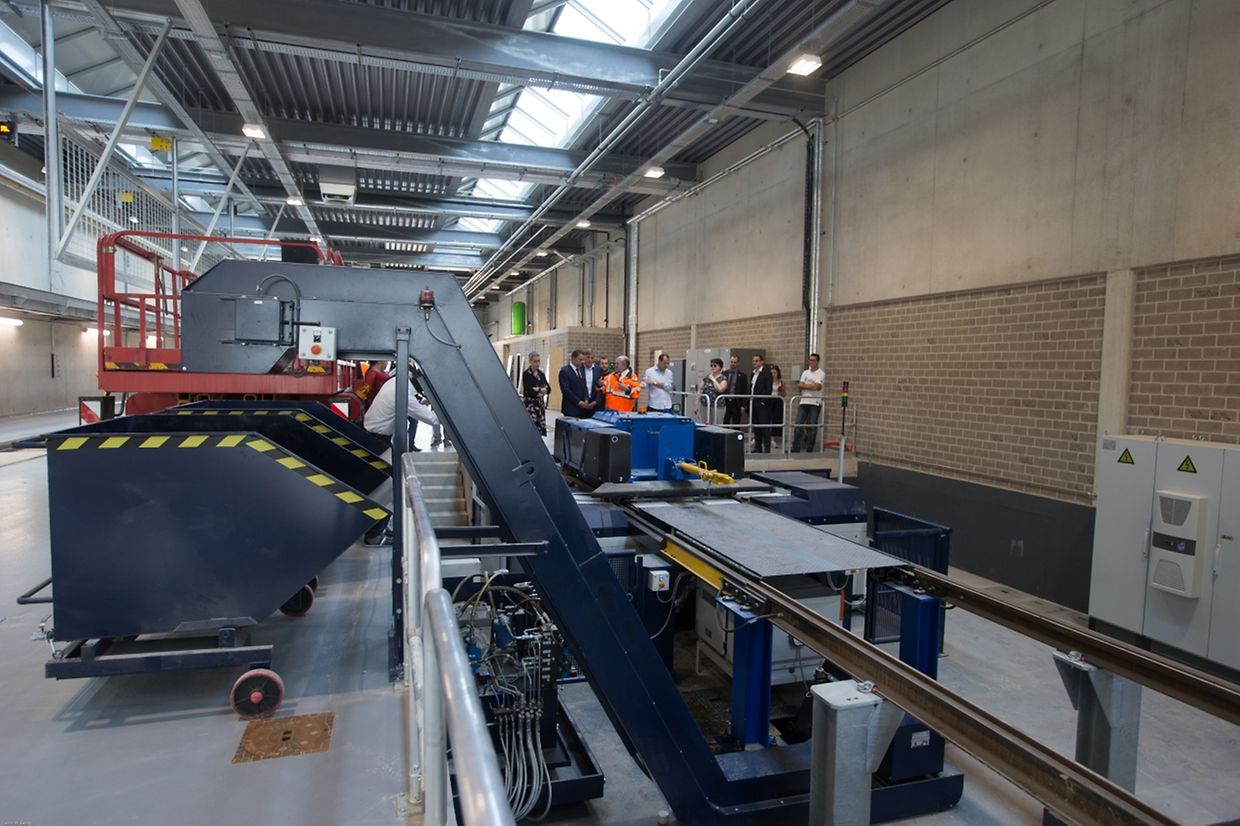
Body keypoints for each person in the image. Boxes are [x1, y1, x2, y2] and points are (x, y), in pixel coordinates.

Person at [362, 367, 440, 545]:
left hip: (374, 438)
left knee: (385, 486)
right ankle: (374, 534)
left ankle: (379, 528)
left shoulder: (395, 382)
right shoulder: (404, 394)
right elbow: (432, 419)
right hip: (378, 442)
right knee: (390, 488)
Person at [792, 353, 827, 453]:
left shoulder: (821, 373)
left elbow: (817, 387)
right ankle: (796, 447)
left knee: (812, 426)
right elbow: (800, 385)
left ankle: (810, 448)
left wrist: (805, 385)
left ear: (817, 361)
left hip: (815, 402)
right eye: (810, 360)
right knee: (798, 424)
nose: (811, 362)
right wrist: (810, 385)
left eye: (813, 360)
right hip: (804, 401)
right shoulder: (805, 373)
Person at [558, 349, 597, 418]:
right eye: (580, 360)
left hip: (582, 409)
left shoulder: (581, 370)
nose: (582, 362)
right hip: (571, 408)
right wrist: (578, 402)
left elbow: (584, 386)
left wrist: (586, 399)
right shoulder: (565, 371)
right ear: (573, 359)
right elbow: (566, 390)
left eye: (583, 360)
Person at [521, 351, 551, 435]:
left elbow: (548, 389)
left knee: (540, 430)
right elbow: (529, 391)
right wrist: (541, 390)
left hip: (540, 405)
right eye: (535, 361)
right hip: (531, 406)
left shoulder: (541, 374)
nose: (537, 363)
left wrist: (538, 390)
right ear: (530, 361)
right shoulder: (527, 374)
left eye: (538, 361)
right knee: (532, 429)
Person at [750, 354, 774, 453]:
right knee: (756, 427)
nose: (754, 363)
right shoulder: (753, 373)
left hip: (762, 404)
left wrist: (763, 401)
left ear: (761, 362)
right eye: (753, 361)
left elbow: (768, 389)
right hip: (754, 403)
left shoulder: (766, 373)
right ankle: (757, 446)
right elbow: (751, 387)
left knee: (764, 427)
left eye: (756, 361)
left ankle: (767, 448)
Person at [722, 354, 749, 425]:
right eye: (731, 362)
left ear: (738, 363)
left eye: (735, 362)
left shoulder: (742, 376)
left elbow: (745, 390)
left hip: (736, 402)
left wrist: (743, 405)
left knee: (736, 422)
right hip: (726, 402)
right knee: (725, 422)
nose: (733, 364)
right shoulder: (724, 374)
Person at [697, 358, 727, 423]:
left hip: (717, 406)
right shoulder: (706, 378)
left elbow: (720, 389)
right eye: (711, 365)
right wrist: (696, 403)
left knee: (717, 424)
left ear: (720, 367)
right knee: (705, 423)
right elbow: (700, 389)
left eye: (715, 365)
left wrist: (713, 379)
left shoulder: (723, 378)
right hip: (705, 405)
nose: (713, 367)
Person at [769, 364, 786, 451]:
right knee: (768, 419)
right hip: (769, 401)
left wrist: (781, 391)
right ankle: (769, 437)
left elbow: (784, 394)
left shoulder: (781, 382)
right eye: (771, 373)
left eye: (775, 373)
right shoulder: (768, 381)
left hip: (777, 401)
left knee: (776, 419)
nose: (773, 375)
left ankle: (774, 437)